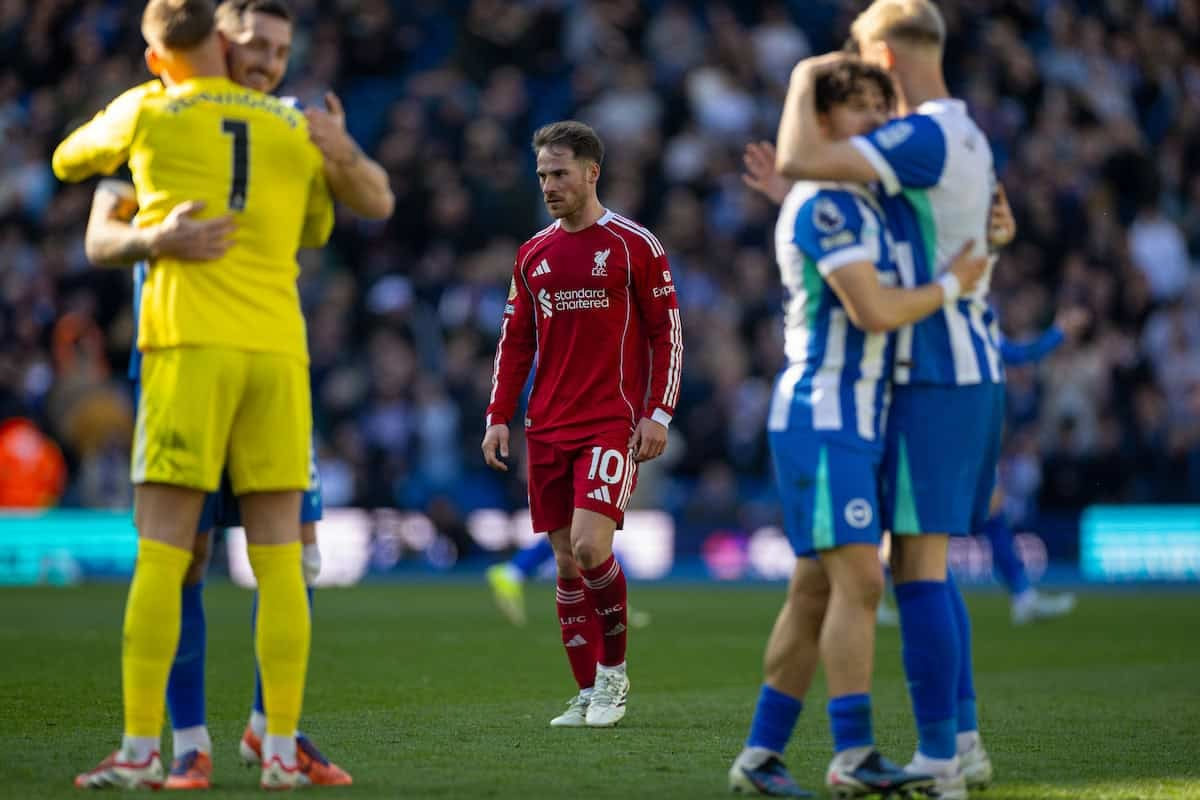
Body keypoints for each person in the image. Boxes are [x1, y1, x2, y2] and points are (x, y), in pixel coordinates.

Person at [80, 0, 393, 787]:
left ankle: (266, 729)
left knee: (300, 552)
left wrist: (342, 149)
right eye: (254, 44)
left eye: (280, 49)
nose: (266, 60)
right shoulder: (160, 107)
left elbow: (349, 210)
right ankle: (191, 742)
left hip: (247, 354)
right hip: (184, 353)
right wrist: (156, 237)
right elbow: (100, 233)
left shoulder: (282, 121)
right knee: (186, 555)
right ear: (218, 41)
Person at [727, 60, 988, 798]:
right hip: (824, 413)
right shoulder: (832, 207)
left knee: (815, 592)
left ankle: (760, 757)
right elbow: (874, 309)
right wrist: (950, 287)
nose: (877, 120)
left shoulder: (867, 202)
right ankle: (851, 754)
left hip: (863, 417)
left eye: (883, 105)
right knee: (863, 581)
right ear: (824, 122)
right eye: (858, 108)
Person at [482, 120, 682, 728]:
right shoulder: (533, 254)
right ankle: (586, 691)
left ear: (591, 173)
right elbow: (514, 343)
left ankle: (614, 678)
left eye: (560, 172)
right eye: (542, 174)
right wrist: (498, 417)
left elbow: (666, 332)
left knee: (594, 547)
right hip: (547, 425)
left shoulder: (632, 245)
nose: (548, 184)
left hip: (609, 422)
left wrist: (658, 411)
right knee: (566, 562)